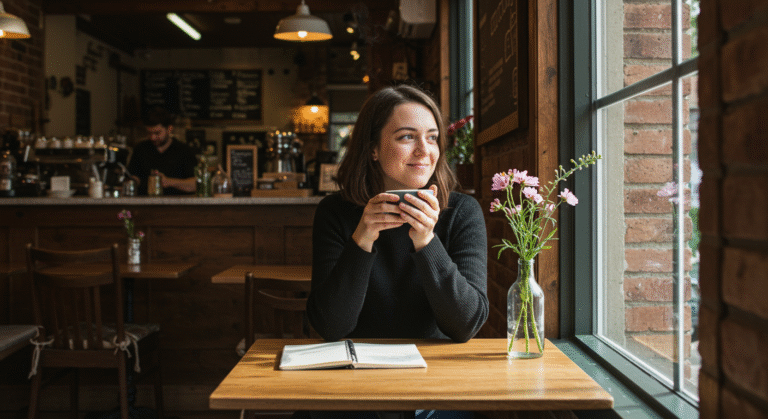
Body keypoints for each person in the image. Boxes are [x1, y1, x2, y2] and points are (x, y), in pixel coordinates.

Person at [306, 85, 488, 419]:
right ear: (373, 148)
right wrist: (363, 238)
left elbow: (465, 325)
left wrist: (427, 241)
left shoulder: (462, 212)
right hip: (353, 384)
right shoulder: (336, 212)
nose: (424, 150)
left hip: (435, 383)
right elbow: (331, 326)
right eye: (407, 137)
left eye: (432, 137)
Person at [127, 107, 197, 195]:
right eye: (149, 133)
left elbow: (195, 184)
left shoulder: (183, 151)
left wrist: (168, 182)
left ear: (169, 129)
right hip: (144, 205)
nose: (152, 137)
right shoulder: (140, 149)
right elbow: (133, 176)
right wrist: (132, 181)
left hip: (177, 206)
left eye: (157, 133)